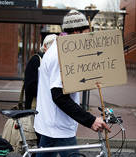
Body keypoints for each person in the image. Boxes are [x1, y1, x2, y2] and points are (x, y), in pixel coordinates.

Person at [34, 10, 110, 157]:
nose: (87, 38)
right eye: (86, 33)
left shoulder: (60, 48)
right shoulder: (60, 55)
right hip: (59, 127)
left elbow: (67, 84)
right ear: (76, 32)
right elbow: (59, 96)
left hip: (51, 123)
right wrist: (91, 120)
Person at [24, 34, 57, 110]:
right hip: (35, 107)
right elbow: (30, 87)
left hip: (45, 106)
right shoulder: (36, 60)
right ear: (45, 46)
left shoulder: (51, 61)